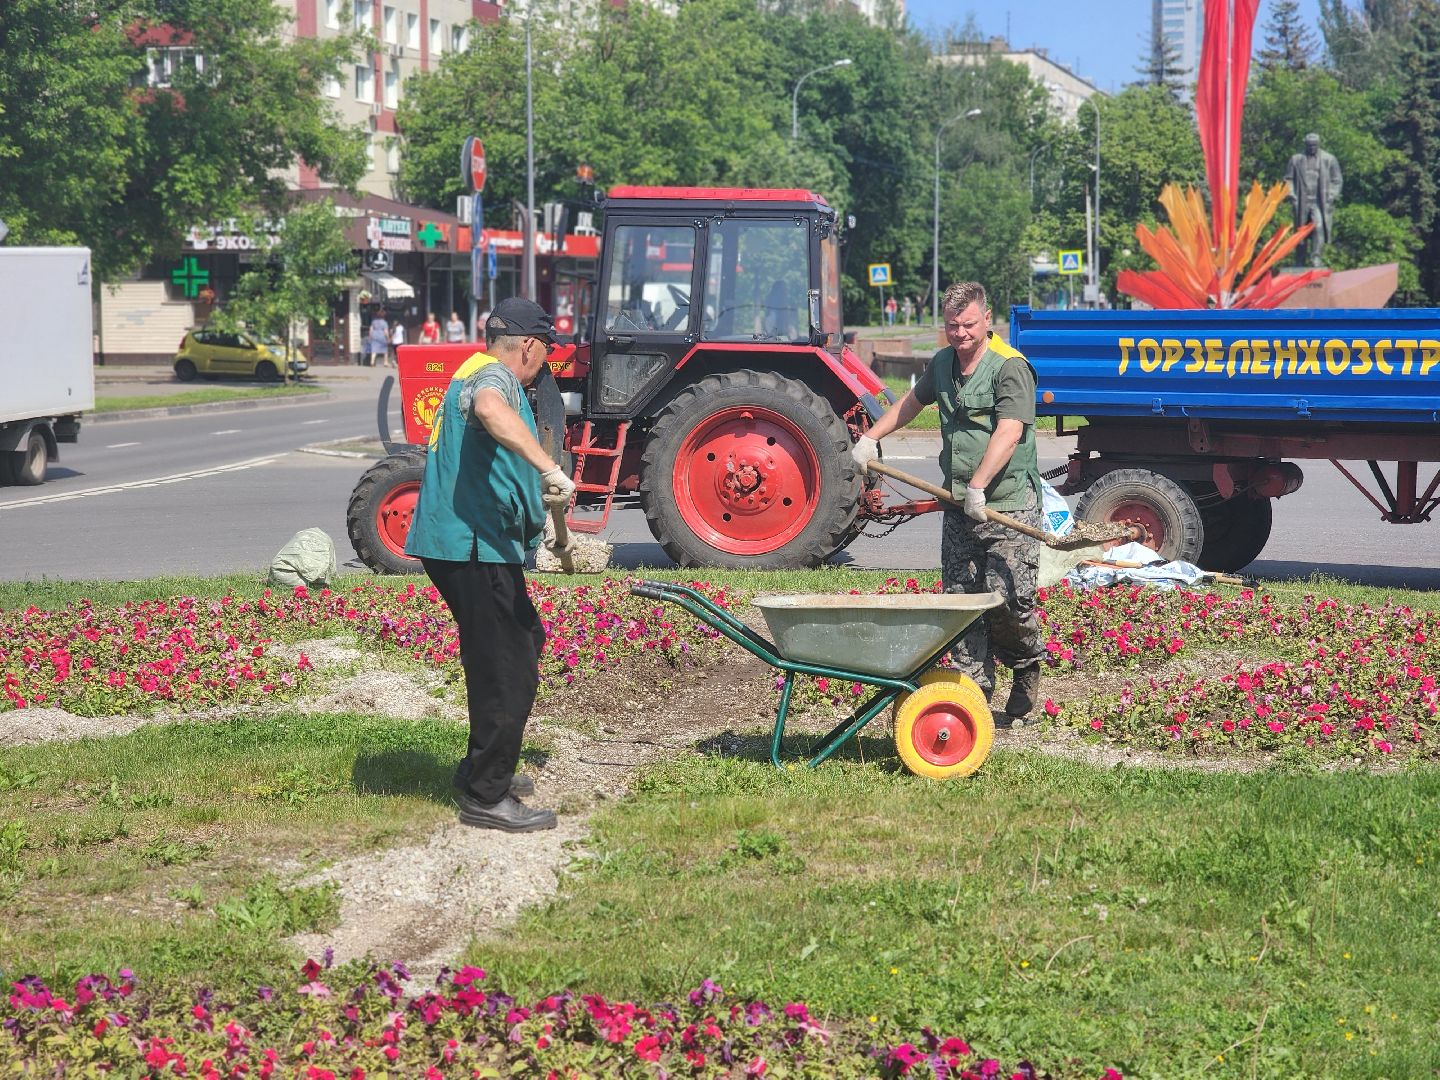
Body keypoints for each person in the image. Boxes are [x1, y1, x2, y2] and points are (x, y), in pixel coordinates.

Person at [404, 297, 577, 832]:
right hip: (472, 547)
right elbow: (489, 410)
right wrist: (549, 468)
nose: (544, 367)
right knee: (507, 668)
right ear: (526, 345)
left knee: (520, 643)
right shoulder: (493, 379)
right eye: (544, 355)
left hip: (476, 544)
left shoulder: (482, 373)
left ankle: (483, 768)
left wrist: (540, 515)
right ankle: (486, 794)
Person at [850, 281, 1044, 726]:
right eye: (952, 325)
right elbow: (911, 404)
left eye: (969, 324)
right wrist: (870, 439)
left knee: (1007, 602)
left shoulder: (1010, 368)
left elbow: (1010, 431)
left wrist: (978, 486)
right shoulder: (942, 365)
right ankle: (973, 694)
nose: (960, 334)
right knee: (959, 605)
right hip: (959, 505)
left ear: (987, 320)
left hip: (1007, 506)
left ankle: (1026, 668)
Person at [1284, 133, 1343, 266]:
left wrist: (1332, 196)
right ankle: (1299, 260)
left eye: (1314, 145)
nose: (1312, 148)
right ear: (1305, 144)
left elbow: (1337, 180)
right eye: (1309, 145)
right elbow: (1288, 179)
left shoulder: (1329, 159)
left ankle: (1316, 257)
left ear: (1319, 144)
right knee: (1301, 232)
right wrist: (1291, 194)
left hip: (1319, 202)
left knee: (1318, 227)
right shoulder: (1296, 159)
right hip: (1302, 200)